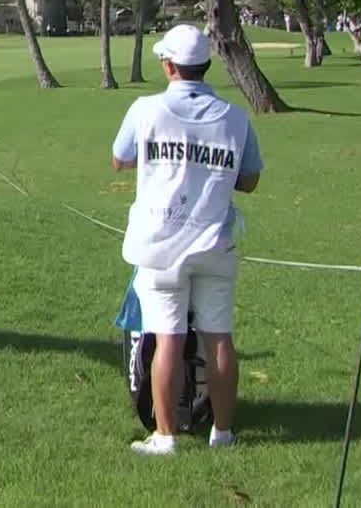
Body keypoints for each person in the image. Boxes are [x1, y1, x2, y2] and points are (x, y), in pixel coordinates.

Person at [110, 24, 263, 455]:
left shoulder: (146, 109)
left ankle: (166, 435)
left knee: (168, 339)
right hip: (215, 241)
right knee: (219, 337)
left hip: (161, 245)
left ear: (170, 65)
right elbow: (249, 180)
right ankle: (224, 433)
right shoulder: (235, 117)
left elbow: (119, 158)